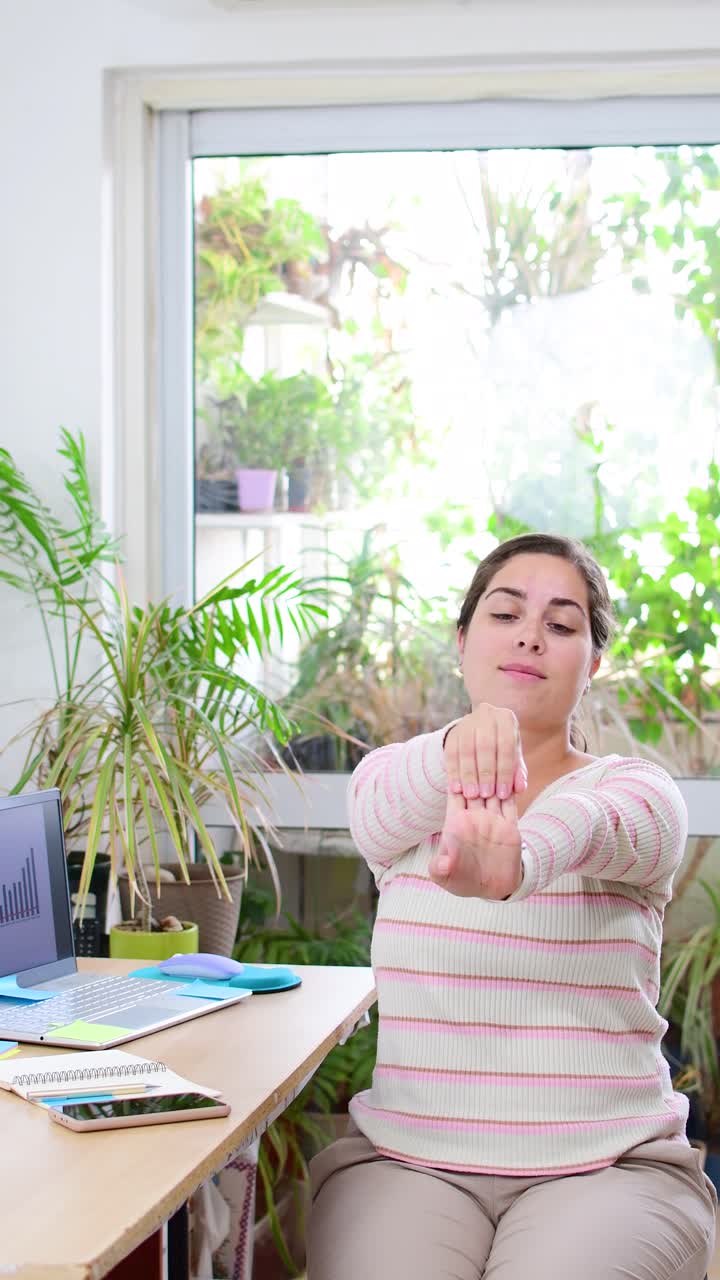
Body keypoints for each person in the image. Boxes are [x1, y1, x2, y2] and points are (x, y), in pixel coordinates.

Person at [306, 532, 717, 1280]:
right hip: (408, 1163)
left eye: (562, 625)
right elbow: (376, 811)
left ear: (593, 665)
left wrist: (520, 861)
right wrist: (462, 747)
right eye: (505, 614)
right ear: (463, 641)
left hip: (611, 1169)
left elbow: (596, 828)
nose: (531, 633)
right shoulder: (400, 782)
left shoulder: (637, 792)